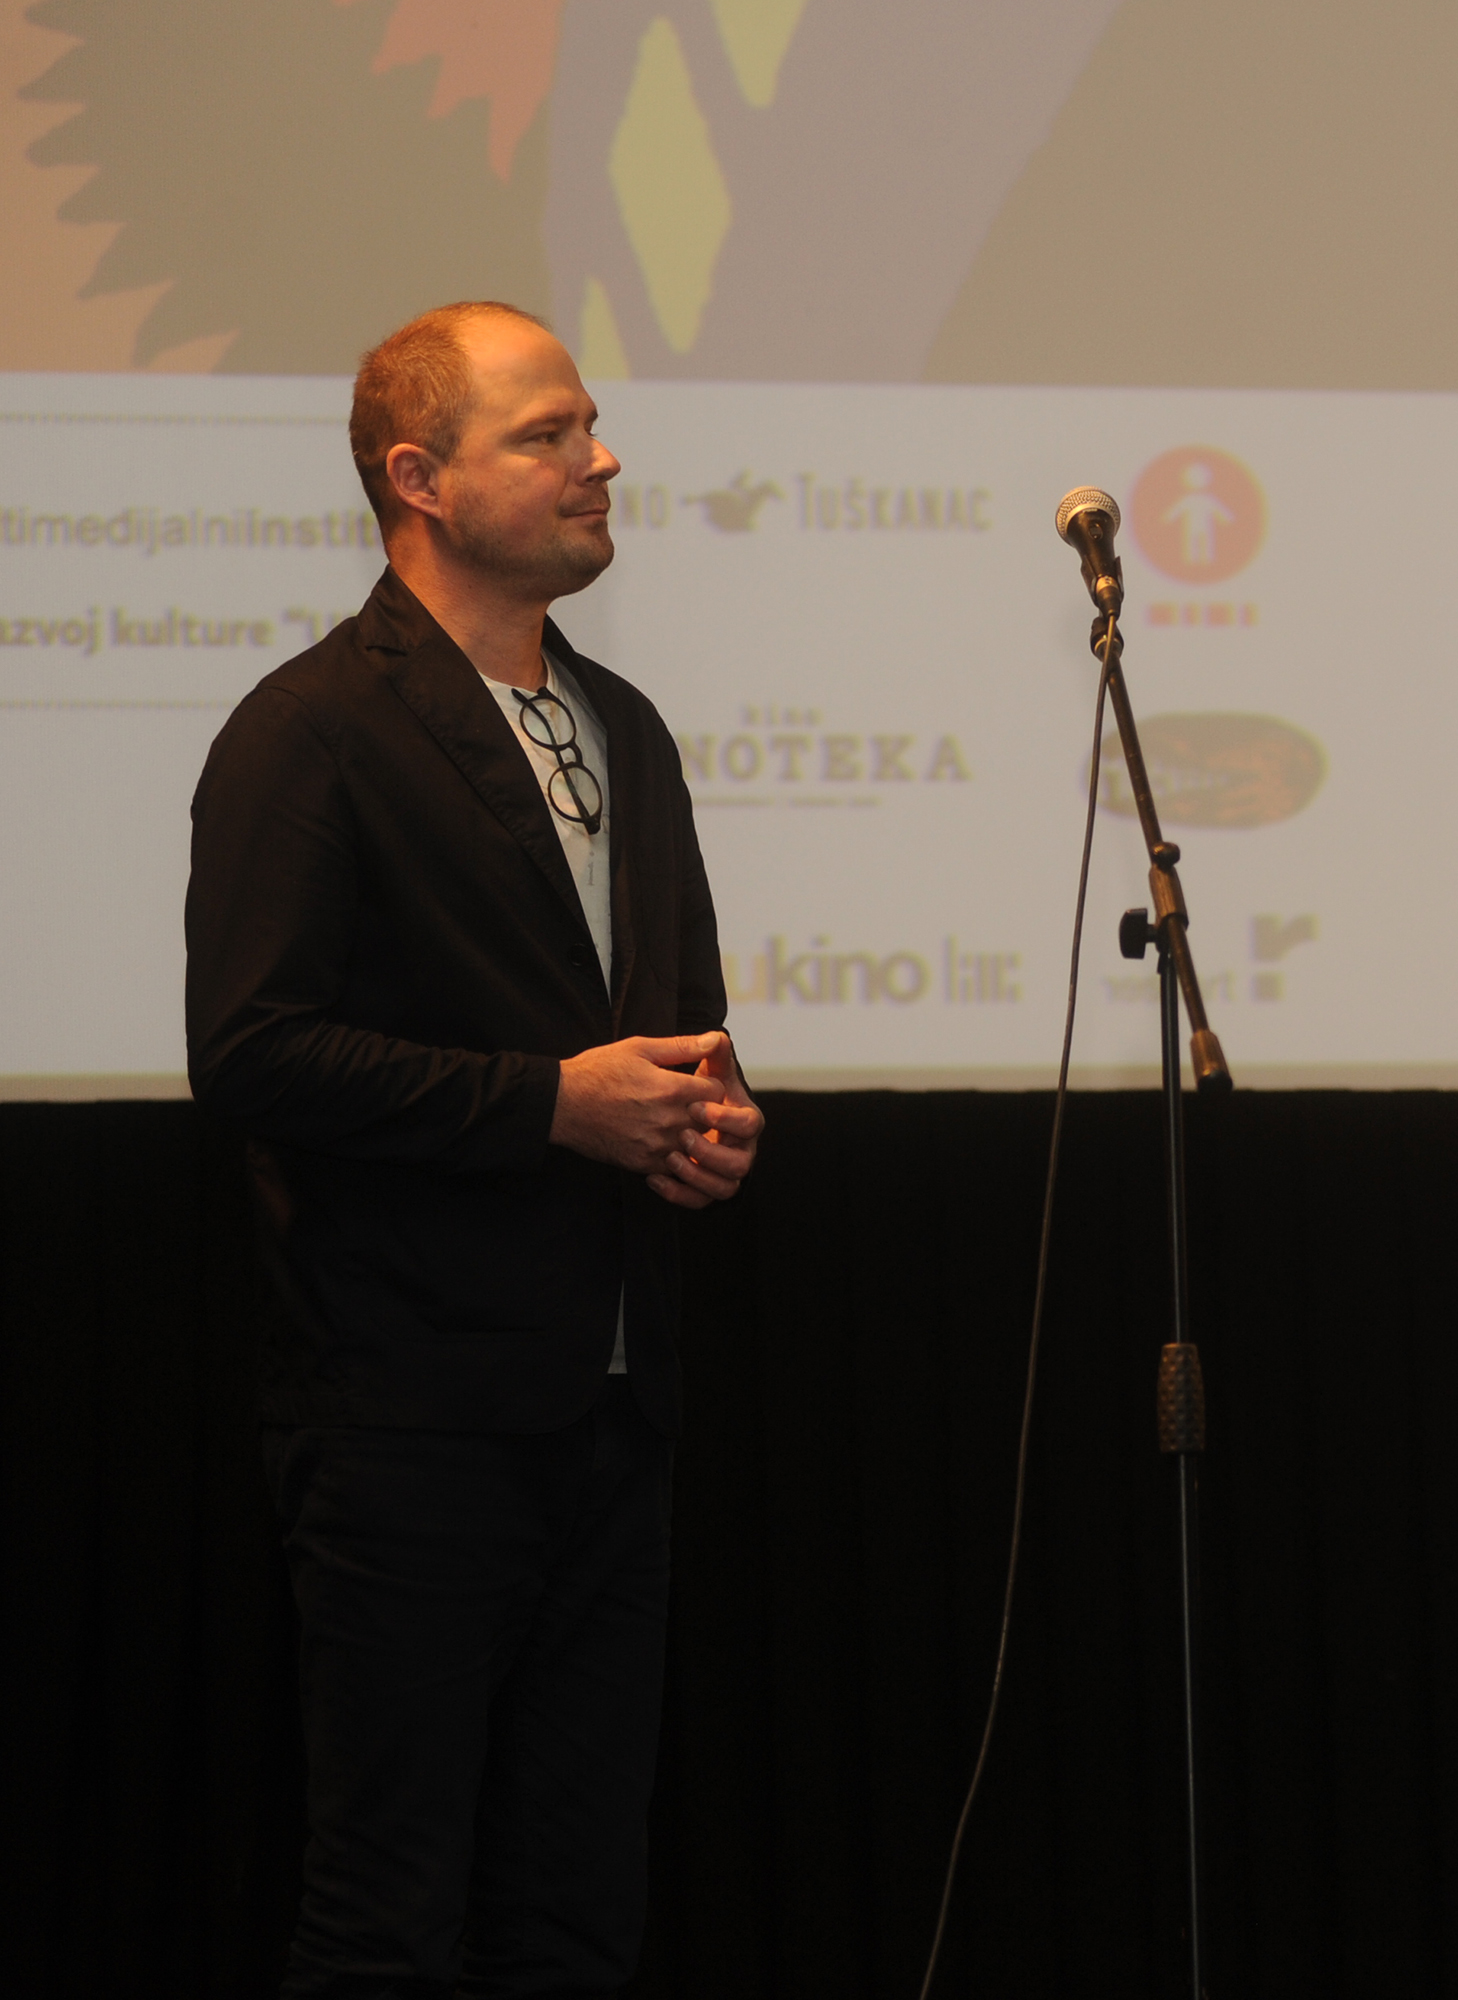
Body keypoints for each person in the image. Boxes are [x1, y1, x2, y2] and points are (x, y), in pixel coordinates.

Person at [187, 300, 761, 1998]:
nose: (601, 461)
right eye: (548, 436)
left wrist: (709, 1119)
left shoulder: (625, 726)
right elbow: (253, 1052)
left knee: (577, 1916)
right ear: (418, 479)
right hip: (408, 1420)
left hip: (615, 1410)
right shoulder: (312, 728)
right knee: (389, 1916)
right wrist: (552, 1106)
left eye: (590, 426)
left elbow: (681, 1018)